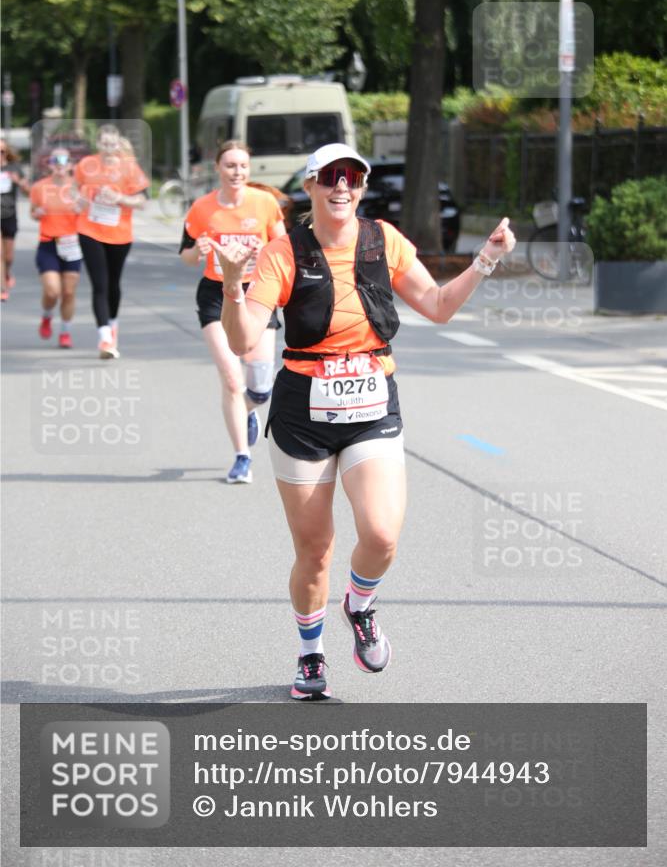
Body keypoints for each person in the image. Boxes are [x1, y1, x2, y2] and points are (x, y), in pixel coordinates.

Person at [216, 142, 516, 700]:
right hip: (303, 411)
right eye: (330, 176)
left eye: (352, 176)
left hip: (371, 405)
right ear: (310, 187)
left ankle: (359, 603)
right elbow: (242, 339)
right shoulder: (284, 253)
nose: (342, 186)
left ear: (360, 186)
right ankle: (310, 656)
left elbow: (438, 305)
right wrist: (233, 286)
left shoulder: (384, 241)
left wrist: (486, 259)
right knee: (315, 549)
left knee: (380, 534)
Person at [179, 140, 286, 484]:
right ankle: (242, 456)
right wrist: (198, 249)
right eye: (230, 166)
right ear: (217, 169)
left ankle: (248, 410)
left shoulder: (265, 203)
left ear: (249, 169)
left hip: (257, 294)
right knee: (231, 377)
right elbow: (185, 255)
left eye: (242, 165)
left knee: (260, 388)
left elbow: (284, 248)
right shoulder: (202, 209)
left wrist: (264, 249)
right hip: (215, 293)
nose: (237, 172)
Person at [75, 124, 149, 359]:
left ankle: (113, 324)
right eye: (104, 144)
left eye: (112, 144)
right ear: (98, 144)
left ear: (118, 144)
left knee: (113, 284)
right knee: (100, 284)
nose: (108, 148)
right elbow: (74, 192)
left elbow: (143, 200)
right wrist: (80, 201)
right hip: (89, 229)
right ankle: (105, 337)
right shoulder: (86, 165)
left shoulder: (129, 167)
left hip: (119, 233)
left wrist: (119, 198)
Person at [30, 148, 83, 348]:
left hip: (72, 244)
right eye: (55, 160)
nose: (60, 165)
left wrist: (82, 209)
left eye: (64, 160)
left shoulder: (78, 188)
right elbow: (32, 211)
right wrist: (37, 212)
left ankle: (65, 332)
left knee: (68, 292)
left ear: (71, 165)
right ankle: (47, 316)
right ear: (50, 164)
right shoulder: (39, 187)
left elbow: (89, 212)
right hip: (48, 243)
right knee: (52, 292)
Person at [1, 139, 30, 301]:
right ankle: (2, 288)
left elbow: (29, 192)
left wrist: (17, 181)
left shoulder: (15, 168)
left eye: (1, 151)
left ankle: (6, 273)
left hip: (9, 215)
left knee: (8, 256)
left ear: (6, 153)